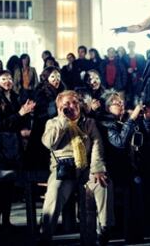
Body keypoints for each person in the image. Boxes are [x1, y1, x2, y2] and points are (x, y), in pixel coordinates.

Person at [40, 90, 112, 245]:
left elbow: (97, 146)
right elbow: (50, 143)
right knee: (55, 190)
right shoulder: (52, 123)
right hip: (63, 168)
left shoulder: (89, 123)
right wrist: (62, 121)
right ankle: (46, 234)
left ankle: (104, 229)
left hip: (86, 167)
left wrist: (98, 169)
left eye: (74, 102)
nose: (71, 106)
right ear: (59, 107)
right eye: (66, 104)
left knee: (101, 184)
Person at [96, 92, 150, 243]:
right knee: (134, 185)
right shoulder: (106, 122)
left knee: (148, 179)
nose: (121, 104)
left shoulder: (125, 120)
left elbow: (144, 138)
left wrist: (146, 119)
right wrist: (132, 119)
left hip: (129, 166)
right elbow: (119, 142)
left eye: (121, 102)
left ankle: (142, 231)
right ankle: (130, 233)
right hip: (113, 168)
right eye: (116, 103)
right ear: (107, 107)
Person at [0, 70, 35, 231]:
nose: (8, 81)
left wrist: (26, 114)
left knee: (9, 186)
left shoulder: (14, 96)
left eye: (10, 78)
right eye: (3, 78)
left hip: (12, 147)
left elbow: (17, 121)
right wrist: (20, 113)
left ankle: (6, 220)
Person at [25, 67, 65, 171]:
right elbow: (42, 110)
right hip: (43, 126)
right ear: (47, 78)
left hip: (58, 124)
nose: (56, 79)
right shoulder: (41, 91)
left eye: (58, 76)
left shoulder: (62, 89)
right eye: (53, 77)